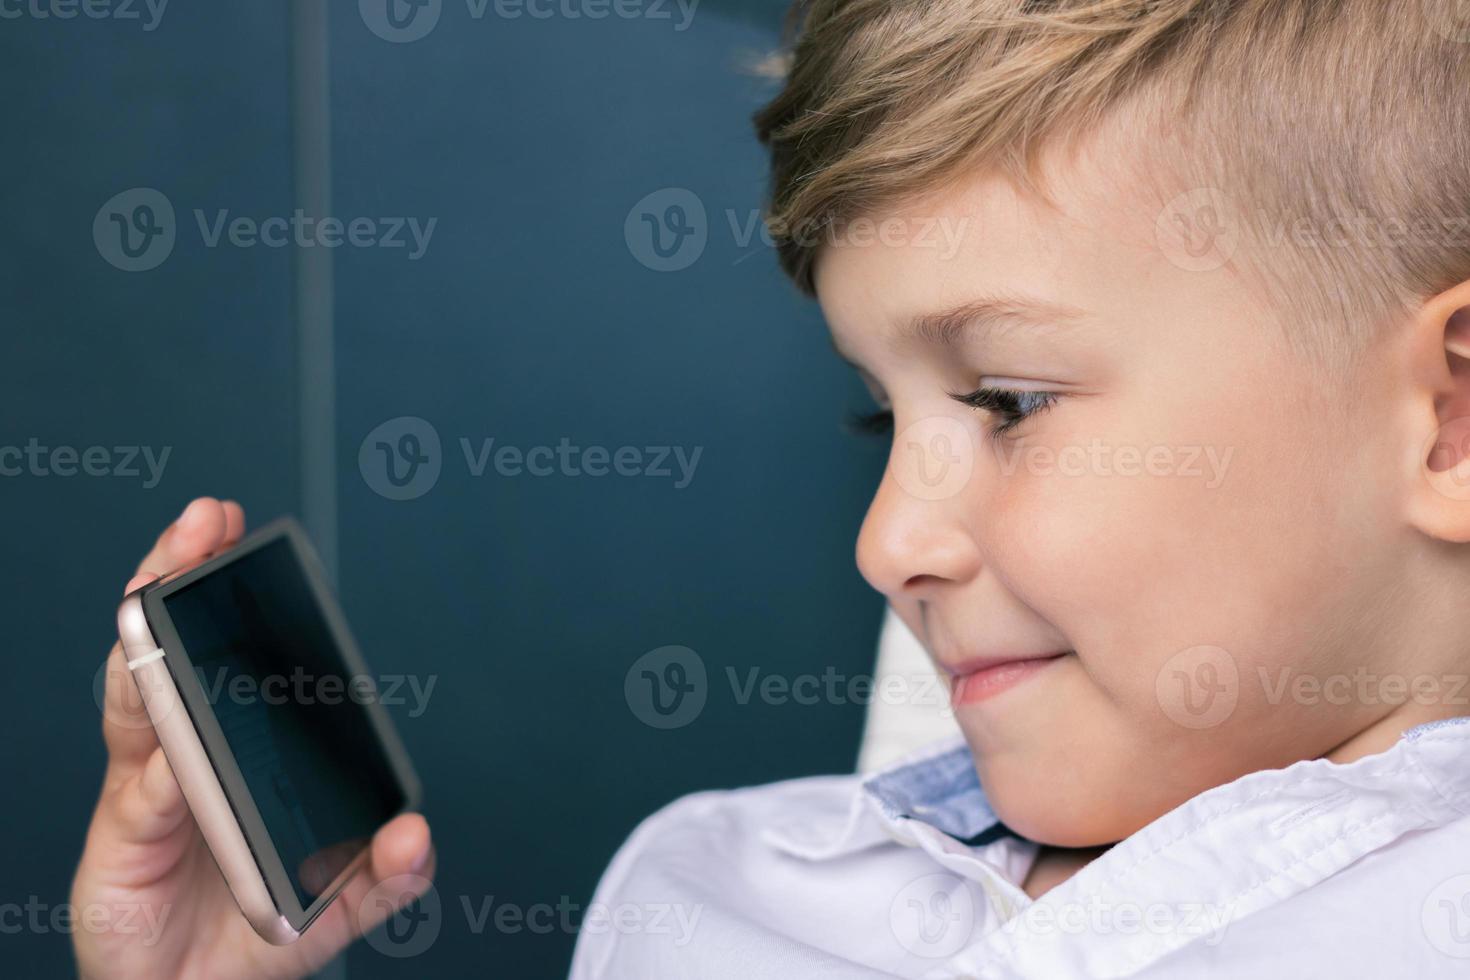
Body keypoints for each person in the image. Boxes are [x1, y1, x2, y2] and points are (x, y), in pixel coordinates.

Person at [74, 1, 1470, 975]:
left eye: (1006, 402)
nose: (887, 543)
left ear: (1448, 420)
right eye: (881, 415)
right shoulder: (715, 892)